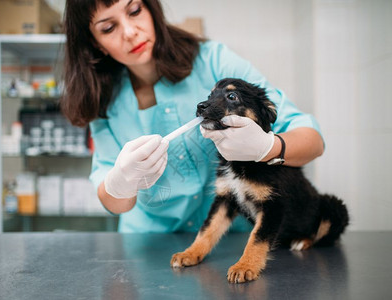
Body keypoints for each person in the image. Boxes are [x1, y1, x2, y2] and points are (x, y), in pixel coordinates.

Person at [62, 0, 324, 233]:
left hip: (232, 237)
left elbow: (312, 141)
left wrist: (268, 147)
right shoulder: (101, 99)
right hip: (151, 243)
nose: (130, 32)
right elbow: (112, 200)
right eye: (109, 28)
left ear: (150, 8)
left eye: (134, 10)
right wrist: (120, 183)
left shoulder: (213, 60)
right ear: (95, 43)